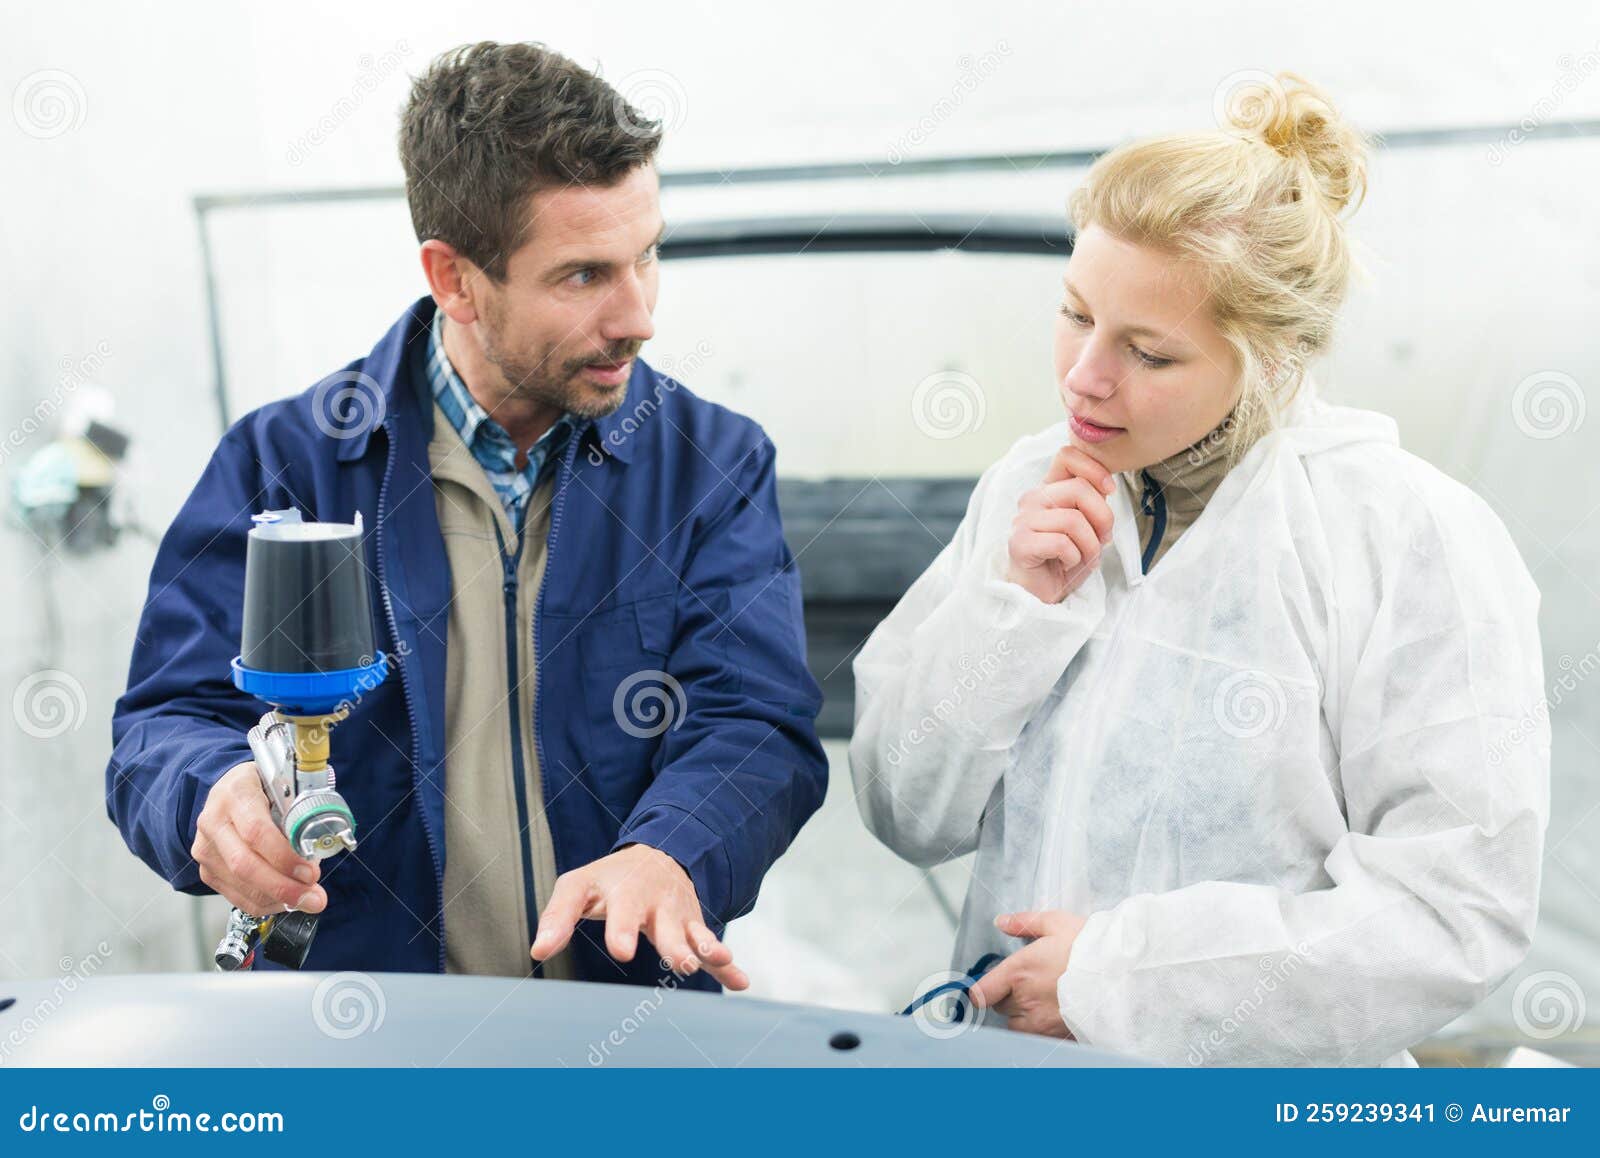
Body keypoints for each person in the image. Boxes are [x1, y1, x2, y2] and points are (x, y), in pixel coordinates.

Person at [850, 73, 1549, 1065]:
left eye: (1150, 353)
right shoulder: (1026, 489)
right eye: (1074, 312)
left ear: (1269, 358)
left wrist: (1116, 981)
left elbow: (1453, 911)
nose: (1084, 376)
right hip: (1005, 1071)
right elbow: (901, 810)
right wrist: (1008, 613)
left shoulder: (1406, 539)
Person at [107, 41, 826, 990]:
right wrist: (210, 797)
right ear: (454, 279)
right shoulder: (285, 467)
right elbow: (165, 722)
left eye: (646, 255)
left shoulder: (711, 464)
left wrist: (675, 850)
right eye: (583, 276)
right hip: (366, 1043)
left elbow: (757, 721)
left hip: (622, 1039)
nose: (639, 315)